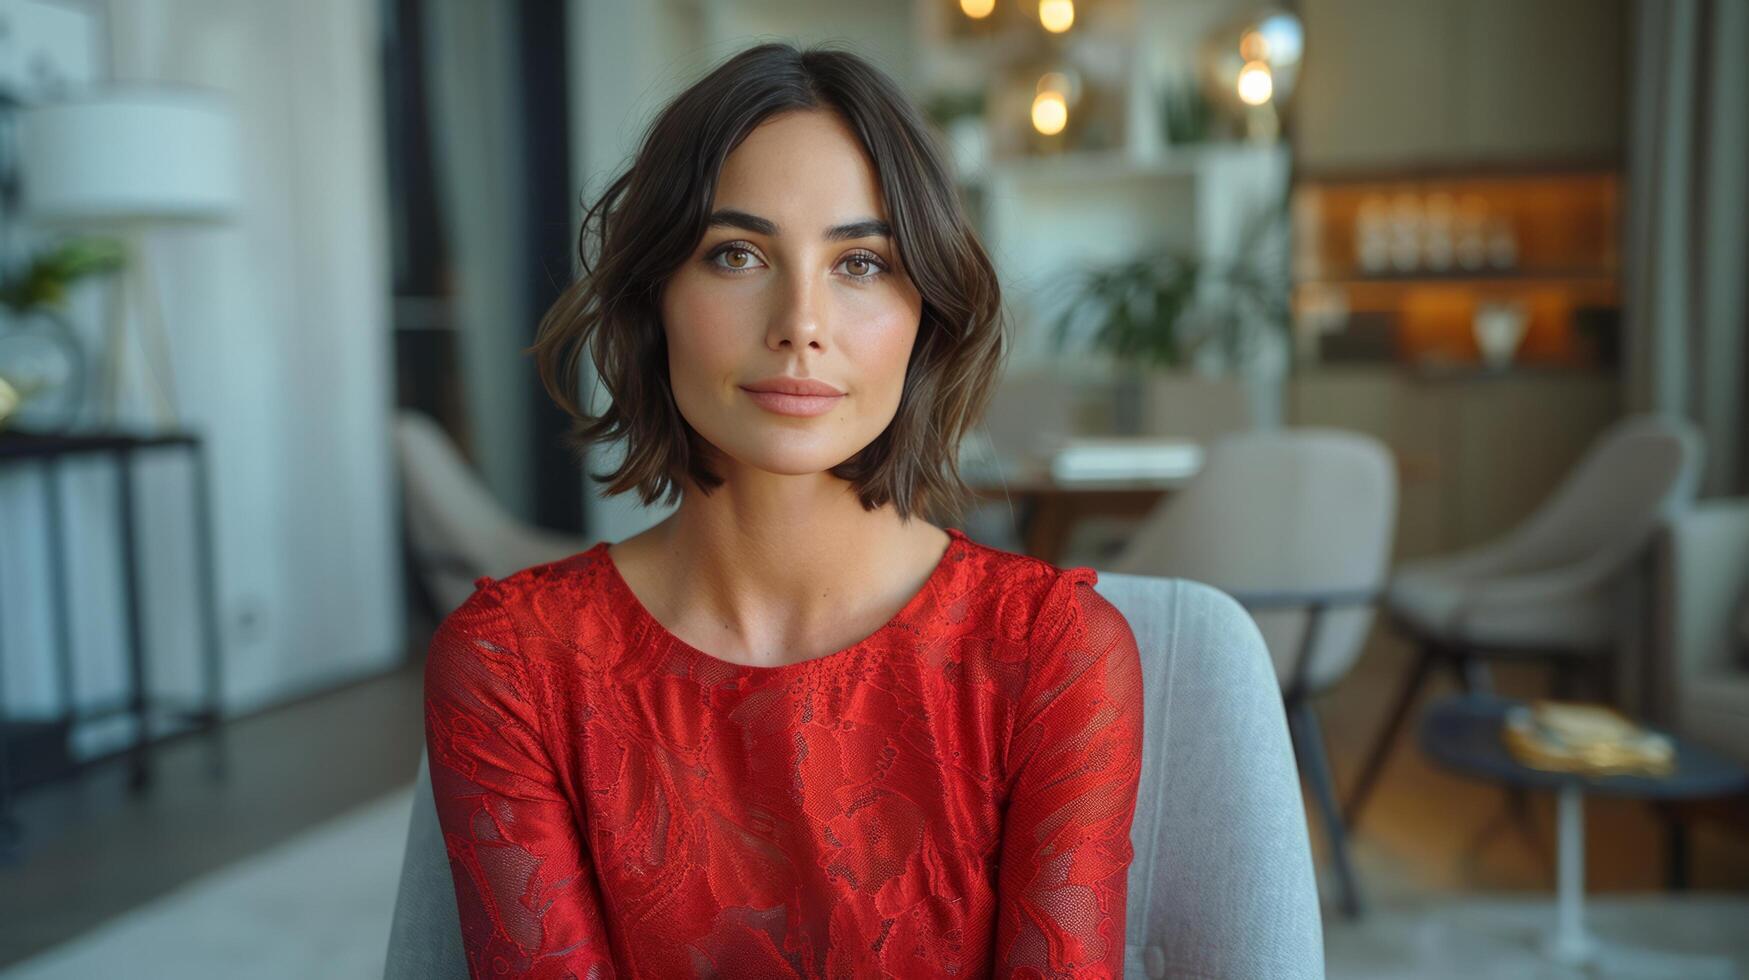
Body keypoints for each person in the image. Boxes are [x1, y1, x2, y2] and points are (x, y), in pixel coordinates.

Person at [422, 41, 1144, 979]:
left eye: (861, 263)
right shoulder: (511, 665)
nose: (800, 321)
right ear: (654, 299)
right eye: (735, 254)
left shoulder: (1054, 653)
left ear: (926, 314)